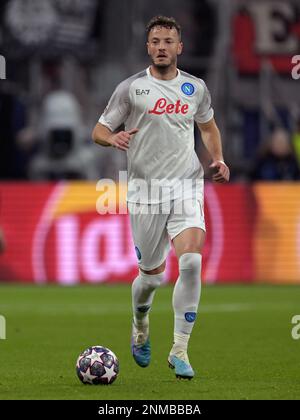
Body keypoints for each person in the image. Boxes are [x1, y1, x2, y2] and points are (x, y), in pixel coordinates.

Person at [92, 15, 229, 380]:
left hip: (186, 185)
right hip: (145, 192)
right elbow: (99, 129)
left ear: (180, 47)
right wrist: (113, 138)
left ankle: (180, 349)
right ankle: (140, 322)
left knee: (191, 263)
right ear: (148, 46)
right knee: (151, 277)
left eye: (169, 41)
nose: (162, 47)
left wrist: (217, 158)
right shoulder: (131, 89)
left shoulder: (195, 88)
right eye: (156, 41)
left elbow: (208, 126)